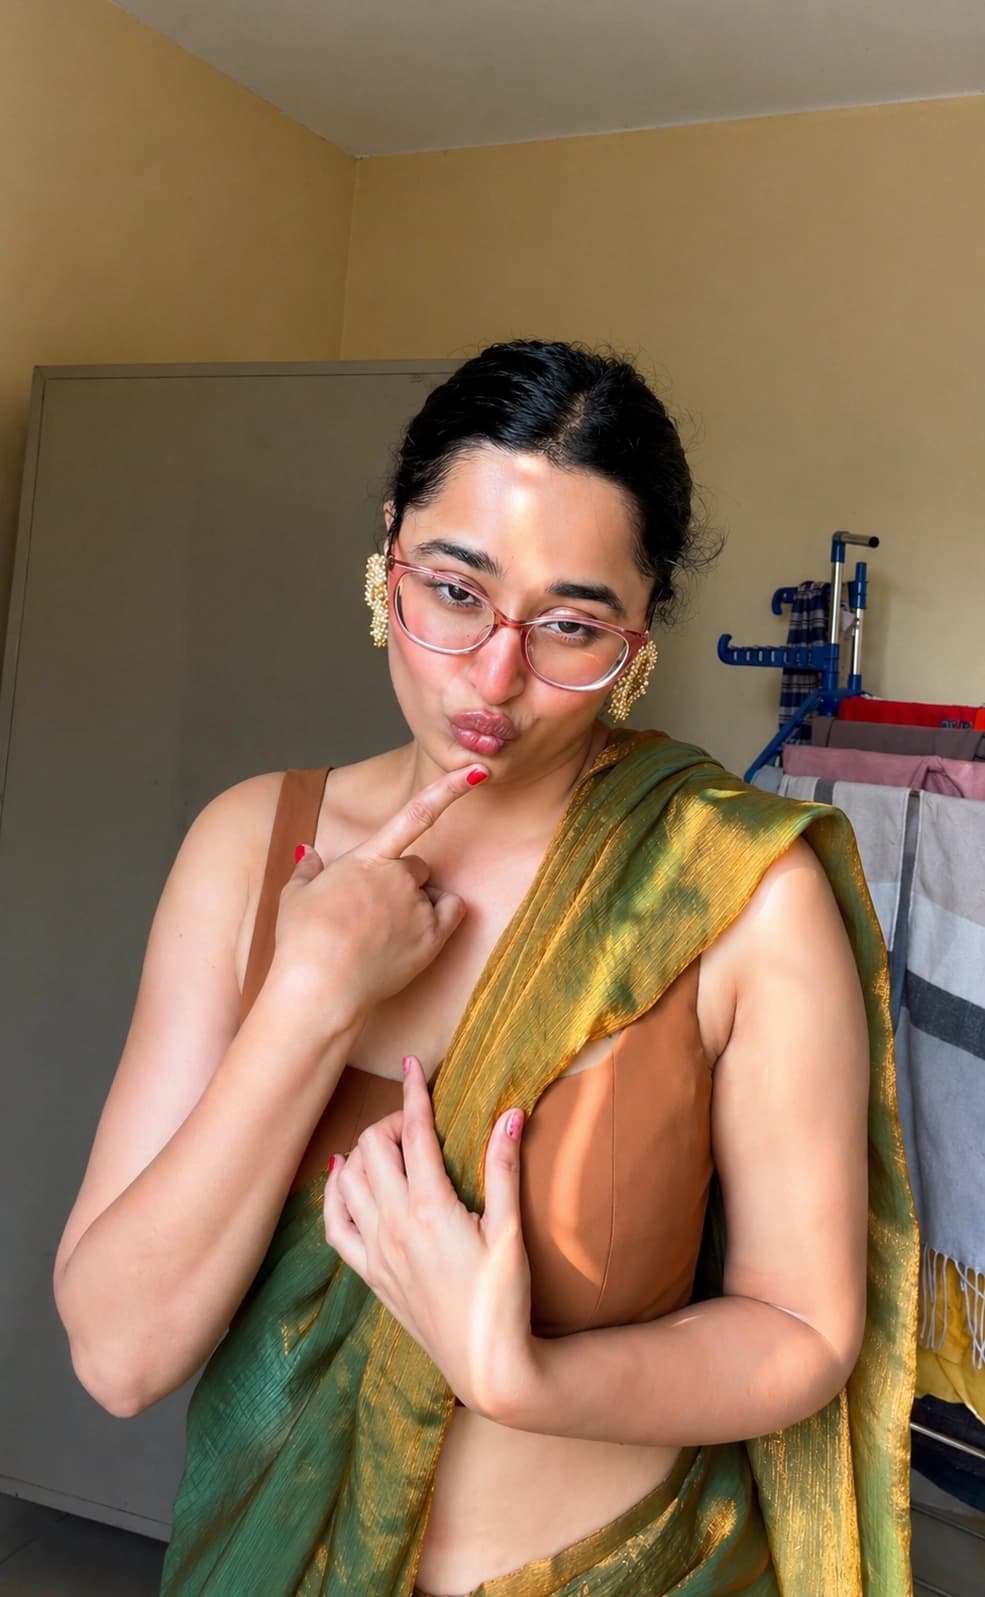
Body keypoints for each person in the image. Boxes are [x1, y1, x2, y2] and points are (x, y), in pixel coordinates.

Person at [53, 340, 917, 1596]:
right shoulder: (248, 848)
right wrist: (310, 996)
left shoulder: (734, 895)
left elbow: (803, 1327)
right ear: (388, 554)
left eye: (569, 626)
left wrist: (525, 1376)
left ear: (640, 635)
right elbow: (120, 1355)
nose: (496, 677)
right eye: (454, 592)